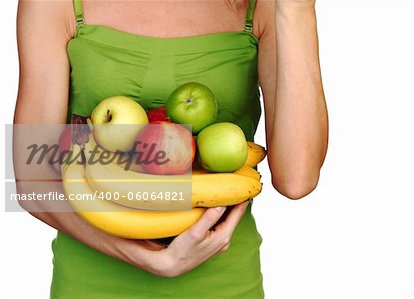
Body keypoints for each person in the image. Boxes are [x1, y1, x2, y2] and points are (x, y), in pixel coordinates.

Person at [14, 0, 328, 297]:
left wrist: (296, 10)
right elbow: (32, 181)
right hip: (90, 284)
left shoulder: (263, 8)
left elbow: (296, 181)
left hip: (225, 285)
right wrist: (147, 259)